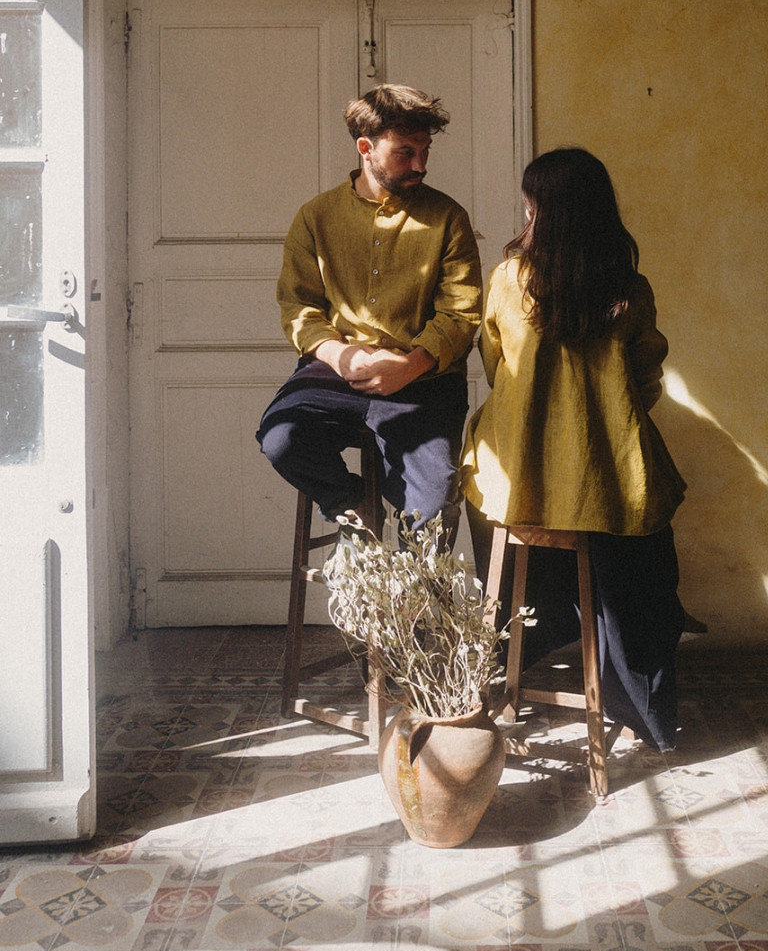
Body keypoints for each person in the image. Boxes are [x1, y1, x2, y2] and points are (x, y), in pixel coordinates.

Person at [460, 146, 688, 751]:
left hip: (521, 483)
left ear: (543, 211)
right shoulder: (629, 290)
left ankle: (519, 652)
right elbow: (647, 377)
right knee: (645, 563)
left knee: (486, 488)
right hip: (611, 482)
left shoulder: (508, 282)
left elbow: (492, 365)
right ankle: (641, 702)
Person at [257, 84, 482, 530]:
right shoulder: (315, 217)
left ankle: (415, 597)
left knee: (433, 509)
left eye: (425, 150)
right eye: (405, 152)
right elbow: (299, 308)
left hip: (425, 377)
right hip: (339, 370)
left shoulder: (448, 217)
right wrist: (342, 355)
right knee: (282, 438)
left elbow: (461, 315)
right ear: (366, 148)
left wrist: (409, 365)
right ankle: (356, 504)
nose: (420, 164)